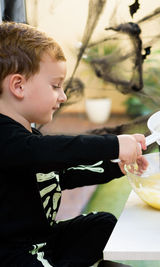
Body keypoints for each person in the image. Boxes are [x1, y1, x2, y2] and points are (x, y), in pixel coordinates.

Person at [0, 21, 148, 266]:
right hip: (13, 254)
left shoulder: (28, 139)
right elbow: (51, 152)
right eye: (55, 86)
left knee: (103, 224)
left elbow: (63, 174)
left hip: (44, 241)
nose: (63, 96)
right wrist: (113, 145)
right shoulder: (9, 141)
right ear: (18, 85)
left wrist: (115, 166)